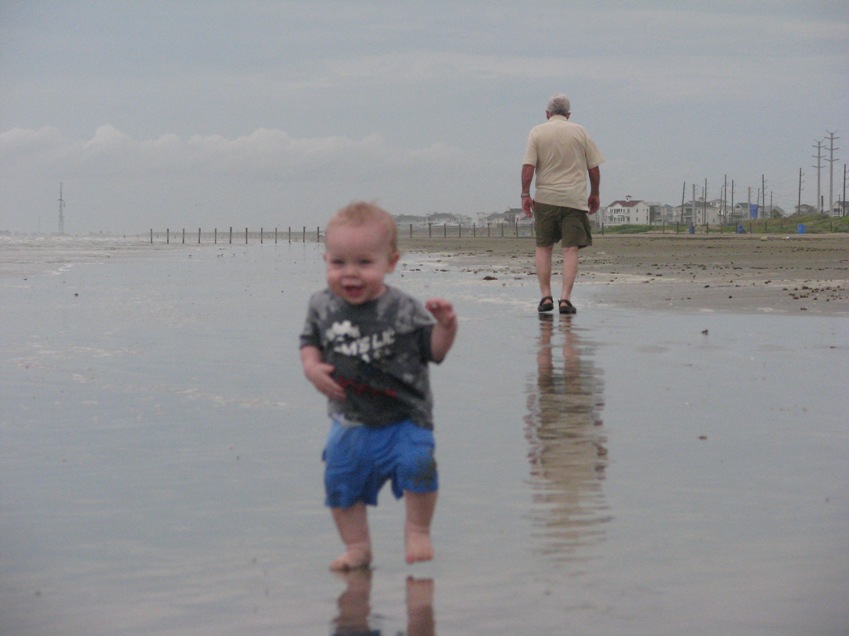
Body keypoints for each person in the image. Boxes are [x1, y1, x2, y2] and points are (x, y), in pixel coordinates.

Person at [299, 201, 458, 571]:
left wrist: (446, 327)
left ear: (391, 262)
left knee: (419, 465)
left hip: (405, 416)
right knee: (340, 483)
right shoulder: (321, 305)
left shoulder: (403, 308)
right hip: (349, 419)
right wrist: (311, 367)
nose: (350, 274)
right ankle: (357, 547)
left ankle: (417, 530)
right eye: (339, 263)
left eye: (364, 263)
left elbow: (433, 351)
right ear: (325, 260)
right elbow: (309, 342)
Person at [521, 93, 604, 315]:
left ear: (547, 114)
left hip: (546, 198)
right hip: (574, 199)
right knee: (570, 249)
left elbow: (528, 167)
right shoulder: (580, 131)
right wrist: (595, 193)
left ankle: (545, 296)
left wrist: (525, 194)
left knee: (544, 246)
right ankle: (565, 299)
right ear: (568, 114)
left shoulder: (537, 132)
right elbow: (593, 168)